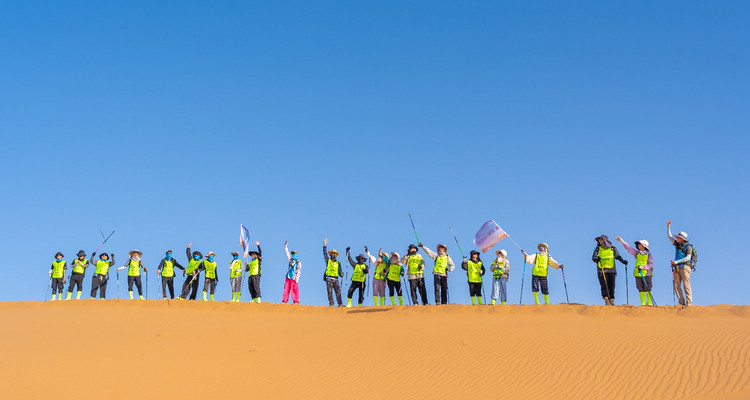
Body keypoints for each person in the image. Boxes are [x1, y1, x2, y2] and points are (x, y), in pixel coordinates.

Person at [615, 237, 653, 306]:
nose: (638, 245)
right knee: (640, 288)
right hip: (637, 273)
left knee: (648, 287)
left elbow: (650, 264)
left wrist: (643, 267)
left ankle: (649, 302)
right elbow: (629, 248)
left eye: (639, 244)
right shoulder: (637, 253)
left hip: (647, 274)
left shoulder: (649, 254)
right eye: (638, 244)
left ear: (644, 245)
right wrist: (622, 241)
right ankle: (643, 302)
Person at [592, 235, 628, 305]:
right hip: (601, 270)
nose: (600, 241)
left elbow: (617, 256)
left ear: (605, 240)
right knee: (604, 285)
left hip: (612, 270)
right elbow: (593, 258)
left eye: (601, 239)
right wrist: (596, 259)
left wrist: (623, 261)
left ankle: (612, 300)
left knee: (611, 286)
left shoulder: (613, 248)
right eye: (599, 240)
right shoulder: (597, 249)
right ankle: (606, 300)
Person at [668, 220, 694, 306]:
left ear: (682, 239)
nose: (677, 238)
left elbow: (688, 258)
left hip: (685, 267)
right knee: (676, 285)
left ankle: (689, 304)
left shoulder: (688, 246)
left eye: (678, 237)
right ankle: (681, 303)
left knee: (686, 286)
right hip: (677, 268)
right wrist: (668, 227)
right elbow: (670, 237)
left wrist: (676, 261)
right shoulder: (677, 245)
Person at [322, 238, 343, 307]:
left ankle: (340, 304)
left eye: (335, 254)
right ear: (330, 255)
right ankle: (331, 304)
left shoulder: (338, 263)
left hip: (336, 279)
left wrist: (341, 274)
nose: (333, 255)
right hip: (329, 278)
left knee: (338, 292)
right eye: (332, 253)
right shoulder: (328, 261)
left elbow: (339, 271)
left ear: (336, 255)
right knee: (330, 292)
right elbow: (324, 253)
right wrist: (324, 244)